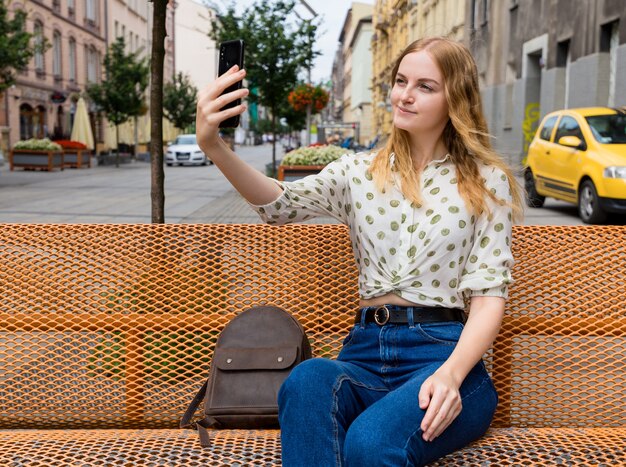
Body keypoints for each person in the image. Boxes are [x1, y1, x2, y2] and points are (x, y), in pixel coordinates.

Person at [196, 36, 523, 466]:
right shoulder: (358, 172)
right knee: (309, 378)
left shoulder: (485, 181)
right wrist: (214, 146)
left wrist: (451, 374)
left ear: (455, 99)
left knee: (369, 443)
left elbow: (488, 299)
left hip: (445, 358)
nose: (405, 94)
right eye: (401, 81)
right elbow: (279, 204)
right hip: (365, 354)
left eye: (425, 86)